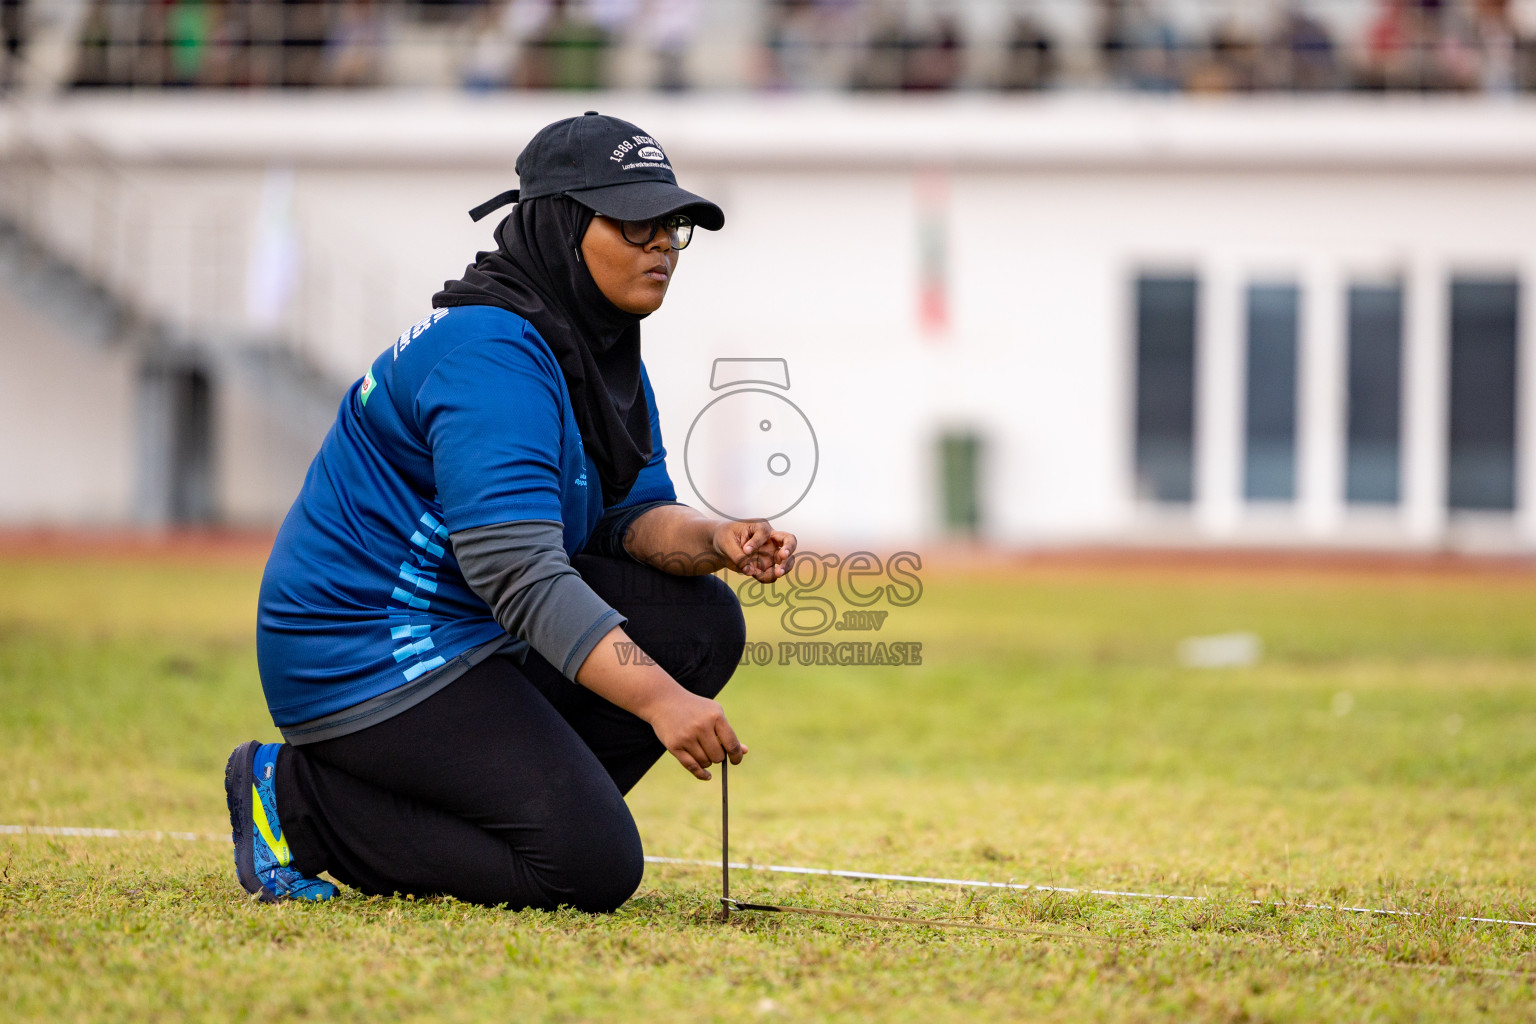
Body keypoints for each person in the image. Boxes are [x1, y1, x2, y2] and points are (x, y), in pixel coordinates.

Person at [224, 112, 797, 912]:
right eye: (635, 222)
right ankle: (300, 802)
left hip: (466, 632)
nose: (662, 243)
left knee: (697, 618)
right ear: (561, 225)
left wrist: (714, 539)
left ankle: (536, 816)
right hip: (368, 656)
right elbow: (518, 572)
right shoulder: (490, 352)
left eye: (670, 224)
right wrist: (661, 700)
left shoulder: (593, 347)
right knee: (587, 872)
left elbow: (630, 519)